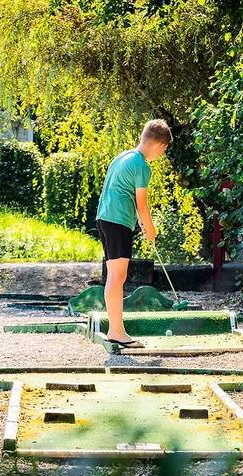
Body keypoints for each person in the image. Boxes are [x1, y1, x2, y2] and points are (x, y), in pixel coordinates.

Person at [96, 119, 172, 348]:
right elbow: (142, 203)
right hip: (118, 221)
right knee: (117, 277)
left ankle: (115, 330)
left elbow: (121, 191)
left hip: (104, 217)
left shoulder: (122, 156)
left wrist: (142, 223)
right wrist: (151, 229)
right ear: (160, 146)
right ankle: (117, 332)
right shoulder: (142, 166)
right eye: (164, 150)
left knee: (114, 276)